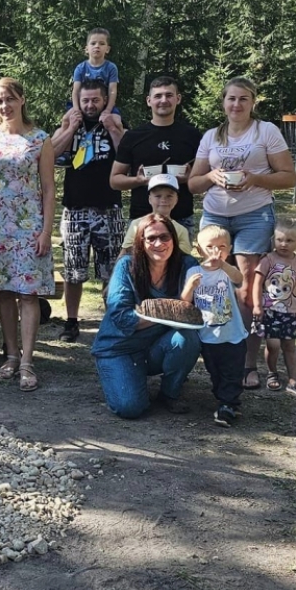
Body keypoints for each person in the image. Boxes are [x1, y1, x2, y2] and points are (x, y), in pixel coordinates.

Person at [186, 76, 296, 391]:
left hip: (254, 215)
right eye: (231, 99)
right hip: (215, 215)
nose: (236, 105)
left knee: (247, 289)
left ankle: (246, 363)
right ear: (223, 102)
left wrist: (255, 178)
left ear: (253, 103)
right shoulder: (211, 136)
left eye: (243, 99)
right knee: (212, 282)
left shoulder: (266, 132)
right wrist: (210, 175)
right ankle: (213, 353)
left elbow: (288, 176)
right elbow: (193, 184)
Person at [0, 77, 56, 392]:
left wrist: (46, 230)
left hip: (28, 225)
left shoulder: (40, 139)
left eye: (10, 99)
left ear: (22, 100)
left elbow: (49, 188)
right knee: (3, 292)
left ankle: (27, 360)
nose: (4, 106)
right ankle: (10, 355)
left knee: (28, 294)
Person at [90, 214, 202, 418]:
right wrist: (172, 311)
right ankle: (125, 376)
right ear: (141, 241)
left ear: (173, 239)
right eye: (151, 238)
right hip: (119, 347)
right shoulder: (127, 265)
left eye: (164, 237)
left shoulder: (186, 264)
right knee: (130, 408)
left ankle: (169, 393)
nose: (159, 243)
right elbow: (121, 317)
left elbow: (205, 302)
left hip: (157, 345)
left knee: (188, 338)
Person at [50, 79, 126, 344]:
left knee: (111, 269)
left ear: (105, 100)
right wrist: (70, 127)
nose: (90, 105)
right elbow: (50, 155)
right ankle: (71, 321)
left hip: (109, 207)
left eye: (95, 100)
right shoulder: (70, 123)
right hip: (75, 208)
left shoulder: (115, 123)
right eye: (85, 100)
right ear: (77, 102)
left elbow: (130, 156)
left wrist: (113, 129)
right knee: (73, 270)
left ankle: (112, 321)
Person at [110, 77, 203, 234]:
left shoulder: (192, 135)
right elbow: (114, 180)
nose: (163, 100)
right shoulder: (133, 136)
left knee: (181, 260)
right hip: (141, 217)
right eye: (158, 96)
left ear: (178, 99)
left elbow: (204, 179)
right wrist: (138, 180)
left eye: (169, 95)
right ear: (149, 101)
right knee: (138, 260)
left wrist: (189, 179)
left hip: (181, 218)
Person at [182, 225, 248, 427]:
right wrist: (190, 287)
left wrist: (224, 265)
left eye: (221, 247)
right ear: (200, 250)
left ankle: (228, 404)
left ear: (229, 249)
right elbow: (184, 301)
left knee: (233, 370)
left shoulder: (228, 272)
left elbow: (239, 279)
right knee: (215, 371)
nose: (215, 251)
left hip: (233, 334)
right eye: (210, 247)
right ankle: (225, 399)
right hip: (208, 335)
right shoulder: (194, 271)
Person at [251, 215, 296, 398]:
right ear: (273, 240)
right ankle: (272, 372)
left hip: (291, 312)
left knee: (290, 347)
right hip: (270, 311)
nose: (283, 244)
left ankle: (294, 380)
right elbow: (256, 283)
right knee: (273, 344)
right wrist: (256, 306)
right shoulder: (268, 259)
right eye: (279, 240)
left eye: (289, 240)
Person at [118, 174, 192, 256]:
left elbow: (184, 259)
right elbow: (125, 253)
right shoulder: (136, 224)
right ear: (150, 199)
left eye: (169, 196)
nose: (163, 200)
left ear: (176, 199)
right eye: (158, 196)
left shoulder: (181, 230)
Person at [69, 27, 119, 118]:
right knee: (66, 120)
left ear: (107, 49)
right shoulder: (80, 68)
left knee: (116, 121)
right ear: (87, 49)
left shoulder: (111, 68)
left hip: (104, 105)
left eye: (102, 43)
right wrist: (76, 110)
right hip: (83, 105)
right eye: (93, 43)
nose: (97, 46)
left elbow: (112, 91)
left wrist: (108, 110)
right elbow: (75, 91)